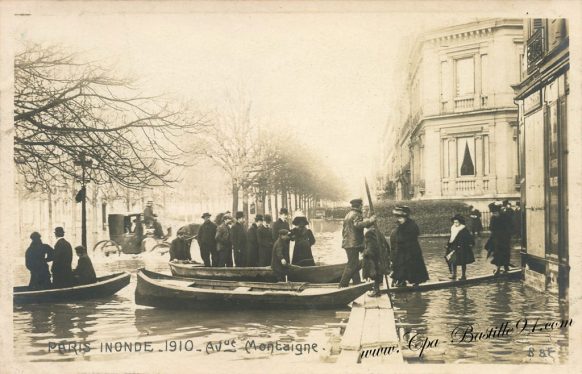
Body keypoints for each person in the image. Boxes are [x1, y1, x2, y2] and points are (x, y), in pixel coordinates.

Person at [339, 198, 376, 288]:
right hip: (354, 243)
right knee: (352, 264)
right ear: (359, 206)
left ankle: (357, 283)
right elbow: (358, 225)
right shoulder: (356, 214)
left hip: (348, 243)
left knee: (354, 263)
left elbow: (345, 229)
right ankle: (342, 285)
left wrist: (368, 221)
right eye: (362, 206)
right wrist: (370, 220)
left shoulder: (348, 214)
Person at [389, 206, 429, 287]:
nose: (399, 220)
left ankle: (416, 282)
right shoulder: (399, 226)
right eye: (398, 218)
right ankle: (401, 281)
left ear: (405, 217)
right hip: (401, 250)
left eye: (401, 218)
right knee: (400, 265)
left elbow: (412, 237)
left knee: (413, 265)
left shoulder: (412, 225)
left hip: (411, 250)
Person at [362, 226, 390, 297]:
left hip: (374, 258)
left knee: (374, 273)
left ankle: (375, 291)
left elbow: (371, 248)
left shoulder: (369, 233)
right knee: (377, 273)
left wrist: (365, 253)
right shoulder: (377, 231)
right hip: (380, 257)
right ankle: (376, 290)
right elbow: (386, 245)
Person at [445, 214, 475, 281]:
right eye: (454, 222)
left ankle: (463, 275)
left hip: (462, 247)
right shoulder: (453, 228)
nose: (455, 224)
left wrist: (471, 243)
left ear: (460, 222)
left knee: (462, 261)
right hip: (454, 247)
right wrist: (448, 244)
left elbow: (469, 238)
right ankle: (454, 274)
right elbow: (451, 237)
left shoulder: (463, 229)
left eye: (457, 222)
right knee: (453, 260)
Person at [487, 202, 512, 275]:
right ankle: (498, 268)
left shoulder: (505, 217)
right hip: (497, 238)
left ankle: (506, 266)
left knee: (506, 252)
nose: (494, 214)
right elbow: (491, 228)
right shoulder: (493, 218)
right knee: (497, 253)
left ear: (498, 212)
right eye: (493, 213)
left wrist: (507, 234)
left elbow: (510, 226)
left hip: (505, 238)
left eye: (495, 213)